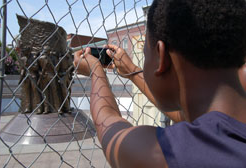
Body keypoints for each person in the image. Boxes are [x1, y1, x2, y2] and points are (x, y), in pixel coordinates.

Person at [74, 0, 246, 167]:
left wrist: (95, 70)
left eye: (145, 53)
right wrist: (132, 70)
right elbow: (185, 116)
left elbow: (109, 127)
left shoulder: (181, 154)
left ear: (161, 57)